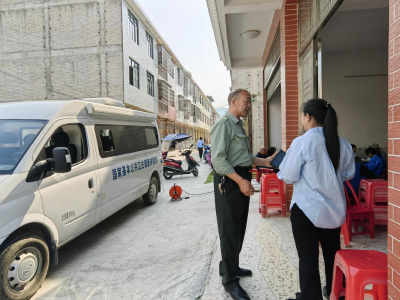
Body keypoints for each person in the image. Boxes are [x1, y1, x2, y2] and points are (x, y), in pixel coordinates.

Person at [277, 99, 355, 300]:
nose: (303, 120)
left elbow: (287, 176)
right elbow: (348, 175)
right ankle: (334, 292)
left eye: (303, 116)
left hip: (306, 211)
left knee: (308, 258)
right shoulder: (343, 143)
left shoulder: (302, 142)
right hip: (334, 211)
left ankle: (310, 297)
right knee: (332, 255)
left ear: (308, 117)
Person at [211, 89, 277, 300]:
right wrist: (240, 181)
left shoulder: (238, 125)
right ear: (233, 101)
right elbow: (219, 160)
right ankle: (230, 281)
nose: (249, 105)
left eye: (249, 102)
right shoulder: (224, 124)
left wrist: (265, 162)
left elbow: (244, 157)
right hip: (230, 181)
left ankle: (230, 266)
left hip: (240, 178)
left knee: (238, 228)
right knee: (229, 230)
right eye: (247, 101)